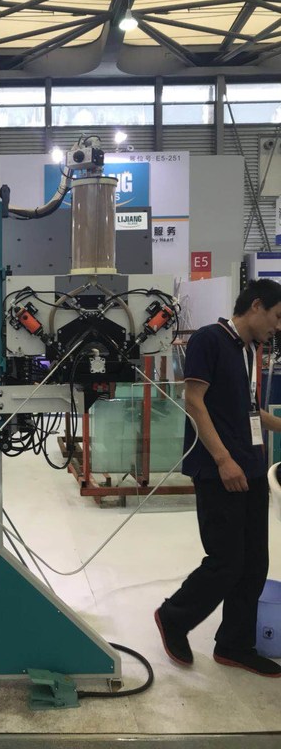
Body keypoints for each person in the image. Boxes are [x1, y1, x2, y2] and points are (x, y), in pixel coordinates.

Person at [155, 278, 281, 677]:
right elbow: (194, 402)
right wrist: (224, 460)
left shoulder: (247, 350)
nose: (277, 327)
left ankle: (234, 645)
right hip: (218, 470)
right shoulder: (209, 339)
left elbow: (248, 411)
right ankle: (173, 616)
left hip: (251, 468)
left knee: (255, 563)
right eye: (277, 317)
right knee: (226, 561)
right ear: (256, 306)